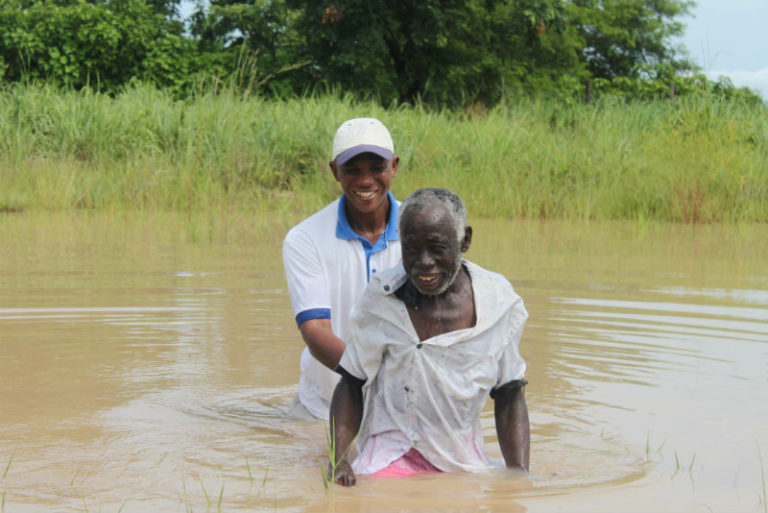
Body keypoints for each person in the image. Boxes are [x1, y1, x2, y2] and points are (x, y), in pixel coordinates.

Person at [328, 188, 530, 486]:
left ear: (465, 241)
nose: (424, 262)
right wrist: (339, 460)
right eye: (412, 249)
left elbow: (510, 394)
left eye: (437, 248)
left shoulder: (499, 305)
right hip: (387, 455)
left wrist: (519, 479)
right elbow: (351, 382)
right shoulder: (382, 299)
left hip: (461, 461)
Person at [282, 117, 402, 419]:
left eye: (376, 168)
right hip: (323, 409)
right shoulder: (305, 238)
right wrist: (372, 377)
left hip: (401, 410)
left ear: (394, 167)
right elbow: (315, 329)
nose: (365, 181)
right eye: (352, 170)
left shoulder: (421, 234)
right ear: (335, 171)